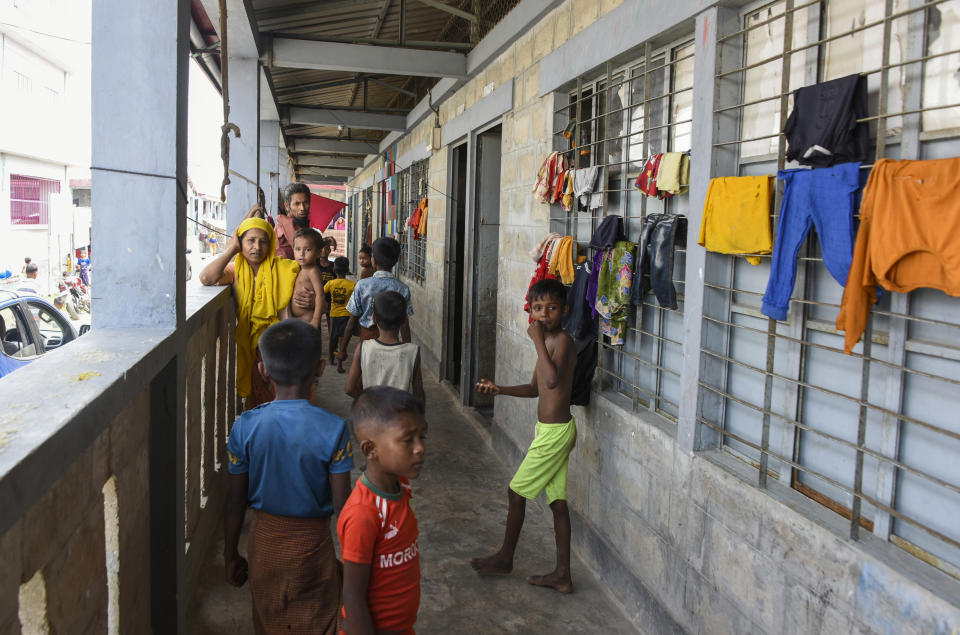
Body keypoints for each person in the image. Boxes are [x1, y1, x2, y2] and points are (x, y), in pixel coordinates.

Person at [224, 319, 353, 634]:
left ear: (263, 370)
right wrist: (354, 563)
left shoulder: (245, 426)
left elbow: (236, 500)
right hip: (313, 549)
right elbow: (343, 507)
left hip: (264, 546)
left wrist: (229, 555)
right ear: (320, 369)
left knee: (270, 620)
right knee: (319, 620)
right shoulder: (334, 429)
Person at [471, 278, 577, 593]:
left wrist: (534, 340)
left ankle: (506, 558)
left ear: (564, 310)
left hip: (555, 434)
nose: (545, 315)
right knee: (557, 503)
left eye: (552, 308)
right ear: (532, 310)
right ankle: (563, 575)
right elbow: (536, 388)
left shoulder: (563, 341)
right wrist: (499, 389)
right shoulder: (547, 342)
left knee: (516, 493)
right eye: (539, 308)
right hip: (550, 431)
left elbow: (553, 381)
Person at [338, 386, 426, 635]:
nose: (420, 448)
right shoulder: (364, 514)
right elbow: (352, 596)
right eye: (408, 439)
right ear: (370, 450)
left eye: (422, 437)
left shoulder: (401, 489)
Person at [199, 208, 300, 409]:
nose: (257, 247)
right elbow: (206, 278)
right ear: (241, 244)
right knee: (256, 396)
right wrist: (231, 250)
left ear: (271, 243)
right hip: (249, 344)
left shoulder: (283, 268)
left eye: (263, 241)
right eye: (250, 241)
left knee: (278, 396)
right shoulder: (236, 270)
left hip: (278, 343)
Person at [345, 291, 425, 406]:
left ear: (374, 318)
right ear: (404, 320)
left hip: (373, 417)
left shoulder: (363, 348)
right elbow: (419, 394)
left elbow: (349, 388)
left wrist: (368, 401)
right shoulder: (413, 351)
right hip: (399, 418)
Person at [338, 237, 413, 359]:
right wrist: (408, 351)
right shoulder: (402, 288)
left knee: (364, 375)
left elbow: (352, 321)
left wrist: (343, 349)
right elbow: (404, 324)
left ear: (374, 260)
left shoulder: (362, 285)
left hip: (366, 341)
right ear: (396, 261)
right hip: (392, 344)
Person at [286, 228, 325, 331]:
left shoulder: (313, 271)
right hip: (297, 320)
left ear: (318, 253)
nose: (301, 254)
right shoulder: (299, 269)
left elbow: (320, 295)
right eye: (298, 249)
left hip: (309, 321)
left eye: (307, 250)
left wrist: (316, 320)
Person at [324, 256, 355, 372]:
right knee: (342, 340)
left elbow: (321, 293)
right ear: (347, 270)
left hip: (333, 315)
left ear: (334, 270)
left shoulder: (330, 284)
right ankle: (340, 365)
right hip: (347, 316)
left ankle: (331, 359)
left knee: (332, 338)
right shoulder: (352, 285)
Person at [275, 183, 313, 260]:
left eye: (305, 203)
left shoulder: (301, 223)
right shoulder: (286, 224)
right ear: (287, 206)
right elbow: (305, 247)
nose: (302, 208)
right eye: (297, 204)